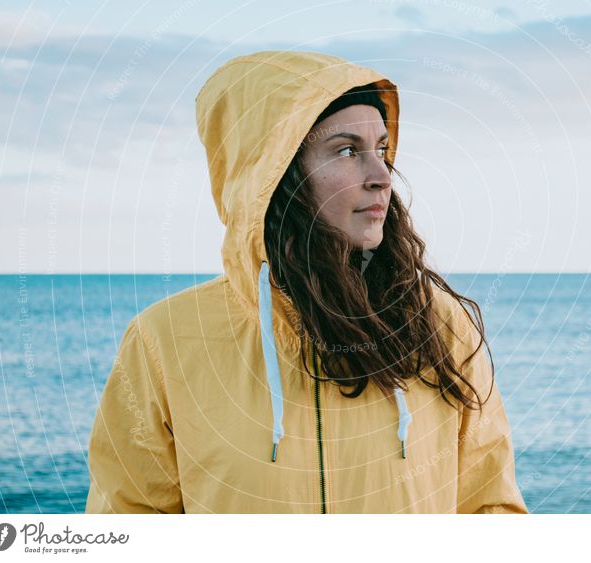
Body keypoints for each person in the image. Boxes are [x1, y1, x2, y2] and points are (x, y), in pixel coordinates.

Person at [84, 50, 528, 514]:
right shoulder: (164, 341)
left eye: (380, 149)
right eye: (347, 150)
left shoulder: (438, 323)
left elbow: (489, 507)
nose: (381, 176)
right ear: (274, 174)